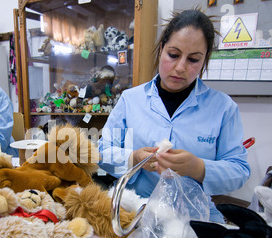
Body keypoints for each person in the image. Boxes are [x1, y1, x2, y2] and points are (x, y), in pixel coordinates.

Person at [99, 9, 251, 223]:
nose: (180, 67)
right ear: (161, 49)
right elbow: (101, 153)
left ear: (204, 60)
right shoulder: (130, 100)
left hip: (191, 219)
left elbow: (239, 170)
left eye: (193, 59)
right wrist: (133, 159)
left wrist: (200, 168)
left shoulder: (223, 108)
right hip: (134, 213)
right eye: (173, 55)